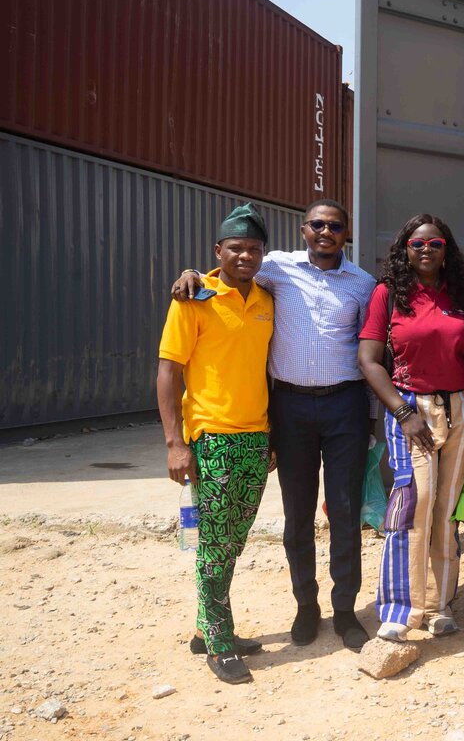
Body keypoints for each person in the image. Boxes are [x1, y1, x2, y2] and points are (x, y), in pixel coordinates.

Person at [173, 199, 376, 651]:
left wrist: (374, 420)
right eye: (317, 224)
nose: (326, 232)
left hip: (345, 406)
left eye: (335, 226)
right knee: (297, 516)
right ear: (304, 230)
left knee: (345, 513)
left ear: (347, 233)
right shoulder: (277, 267)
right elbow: (231, 269)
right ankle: (307, 606)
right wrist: (193, 273)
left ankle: (345, 611)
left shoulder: (363, 284)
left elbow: (373, 349)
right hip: (290, 410)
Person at [157, 204, 275, 685]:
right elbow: (169, 371)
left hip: (257, 436)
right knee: (215, 543)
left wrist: (273, 438)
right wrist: (174, 442)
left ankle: (207, 628)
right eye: (235, 248)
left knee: (234, 540)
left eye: (252, 248)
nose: (244, 255)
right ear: (217, 252)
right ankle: (220, 644)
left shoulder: (268, 298)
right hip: (213, 437)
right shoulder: (194, 298)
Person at [358, 215, 464, 642]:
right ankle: (398, 609)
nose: (426, 251)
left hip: (457, 406)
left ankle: (438, 605)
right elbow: (369, 360)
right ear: (404, 249)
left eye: (435, 244)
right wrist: (402, 414)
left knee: (446, 510)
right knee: (412, 505)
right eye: (417, 244)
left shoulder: (462, 295)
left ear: (447, 250)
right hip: (409, 408)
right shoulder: (388, 295)